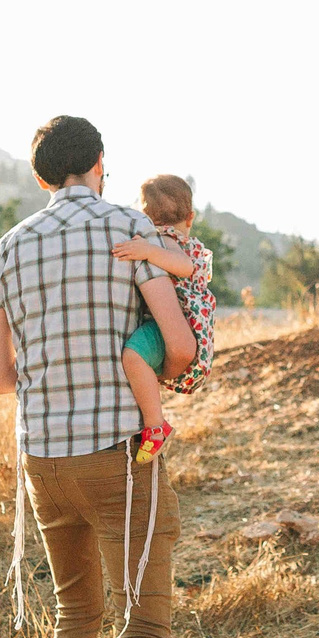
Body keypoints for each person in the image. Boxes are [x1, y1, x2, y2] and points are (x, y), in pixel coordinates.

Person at [0, 116, 197, 638]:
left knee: (77, 613)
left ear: (42, 178)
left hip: (45, 455)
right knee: (148, 624)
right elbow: (174, 343)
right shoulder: (131, 230)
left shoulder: (3, 251)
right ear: (100, 165)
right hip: (119, 454)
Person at [111, 173, 218, 463]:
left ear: (146, 216)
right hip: (183, 322)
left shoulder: (165, 239)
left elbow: (183, 266)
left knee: (133, 357)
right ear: (191, 217)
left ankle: (155, 426)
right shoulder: (181, 238)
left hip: (169, 320)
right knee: (141, 363)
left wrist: (147, 250)